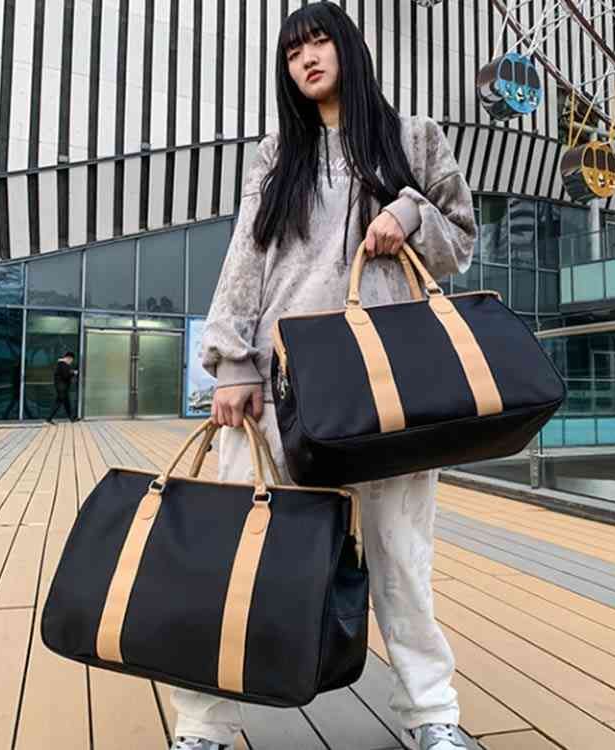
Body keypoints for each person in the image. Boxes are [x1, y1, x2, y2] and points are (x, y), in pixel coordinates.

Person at [173, 4, 477, 749]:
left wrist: (409, 213)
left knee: (402, 561)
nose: (306, 58)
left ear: (348, 48)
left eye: (318, 42)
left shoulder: (414, 138)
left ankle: (433, 717)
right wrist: (231, 362)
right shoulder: (277, 154)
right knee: (236, 551)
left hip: (389, 387)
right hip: (279, 386)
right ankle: (204, 725)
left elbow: (461, 241)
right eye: (292, 52)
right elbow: (246, 257)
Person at [46, 351, 78, 424]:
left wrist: (71, 372)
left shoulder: (62, 364)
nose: (71, 362)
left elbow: (65, 374)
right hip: (62, 388)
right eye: (71, 360)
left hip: (62, 388)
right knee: (58, 403)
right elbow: (65, 375)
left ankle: (71, 418)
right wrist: (73, 373)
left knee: (66, 403)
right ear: (69, 358)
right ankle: (48, 419)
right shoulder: (63, 364)